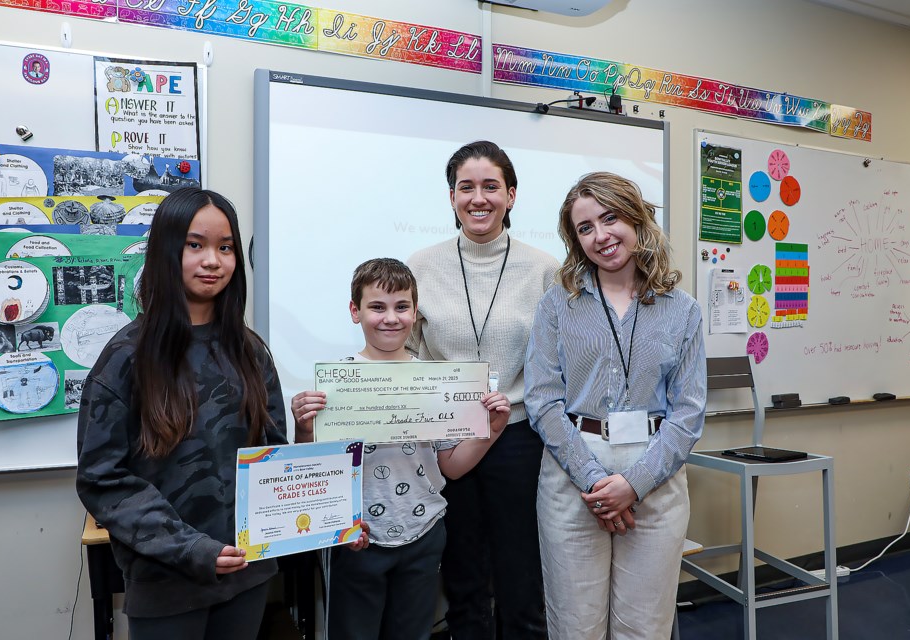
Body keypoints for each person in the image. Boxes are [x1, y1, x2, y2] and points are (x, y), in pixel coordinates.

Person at [76, 188, 287, 640]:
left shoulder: (250, 352)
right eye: (196, 245)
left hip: (248, 573)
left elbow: (273, 458)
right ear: (167, 250)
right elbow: (102, 478)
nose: (212, 260)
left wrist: (329, 513)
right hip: (167, 584)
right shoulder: (126, 357)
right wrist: (193, 548)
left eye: (225, 247)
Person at [524, 172, 706, 639]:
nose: (600, 236)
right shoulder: (556, 305)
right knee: (575, 625)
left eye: (610, 218)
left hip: (656, 476)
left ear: (636, 218)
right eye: (585, 228)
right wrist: (596, 482)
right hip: (574, 478)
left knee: (644, 627)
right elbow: (543, 401)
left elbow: (688, 412)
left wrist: (634, 484)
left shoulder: (681, 309)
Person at [291, 258, 512, 640]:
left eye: (402, 307)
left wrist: (490, 430)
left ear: (415, 312)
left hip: (424, 532)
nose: (390, 318)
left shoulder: (434, 381)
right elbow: (315, 470)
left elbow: (453, 467)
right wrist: (303, 427)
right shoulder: (335, 384)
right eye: (377, 307)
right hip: (358, 537)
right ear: (354, 311)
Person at [406, 140, 558, 639]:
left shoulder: (543, 269)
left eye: (490, 186)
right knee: (463, 577)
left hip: (518, 438)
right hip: (445, 442)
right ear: (451, 198)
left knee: (522, 579)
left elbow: (559, 361)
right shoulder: (421, 266)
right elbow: (405, 351)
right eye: (466, 187)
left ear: (511, 195)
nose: (478, 198)